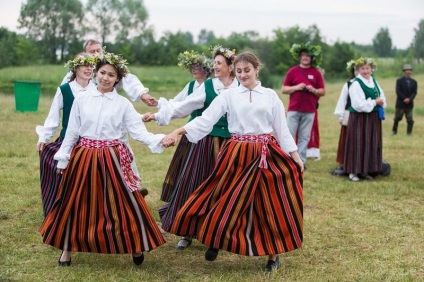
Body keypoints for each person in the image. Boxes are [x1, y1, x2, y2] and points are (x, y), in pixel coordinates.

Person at [162, 51, 304, 272]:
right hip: (237, 152)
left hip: (265, 153)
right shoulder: (229, 95)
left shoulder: (269, 95)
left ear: (257, 69)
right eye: (239, 71)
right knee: (224, 196)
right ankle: (215, 238)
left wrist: (294, 155)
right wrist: (179, 131)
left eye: (247, 70)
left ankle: (273, 255)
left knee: (268, 203)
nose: (243, 74)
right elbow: (205, 120)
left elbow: (281, 129)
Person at [39, 52, 168, 266]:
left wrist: (160, 140)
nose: (105, 78)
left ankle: (134, 244)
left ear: (117, 79)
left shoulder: (123, 104)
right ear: (96, 73)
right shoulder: (82, 99)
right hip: (84, 156)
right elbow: (72, 132)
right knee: (75, 201)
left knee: (123, 201)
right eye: (102, 73)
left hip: (112, 158)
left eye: (111, 74)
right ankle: (67, 250)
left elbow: (138, 132)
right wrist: (64, 158)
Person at [144, 46, 238, 250]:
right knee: (194, 184)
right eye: (214, 63)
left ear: (230, 66)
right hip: (205, 141)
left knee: (226, 188)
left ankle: (218, 232)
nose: (215, 66)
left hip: (232, 144)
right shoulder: (209, 86)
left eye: (219, 63)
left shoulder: (240, 86)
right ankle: (187, 232)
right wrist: (159, 116)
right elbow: (185, 106)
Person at [36, 53, 96, 217]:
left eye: (91, 65)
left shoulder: (98, 89)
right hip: (67, 142)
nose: (89, 68)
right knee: (58, 169)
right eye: (85, 65)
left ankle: (87, 213)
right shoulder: (64, 90)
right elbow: (53, 116)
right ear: (75, 68)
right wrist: (44, 137)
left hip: (91, 144)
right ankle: (61, 212)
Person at [282, 42, 326, 169]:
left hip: (309, 110)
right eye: (303, 55)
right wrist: (296, 87)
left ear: (312, 58)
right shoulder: (293, 71)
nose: (305, 58)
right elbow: (284, 89)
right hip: (294, 109)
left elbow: (322, 91)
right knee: (289, 134)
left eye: (308, 56)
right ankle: (286, 159)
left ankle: (300, 161)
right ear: (300, 57)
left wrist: (314, 90)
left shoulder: (316, 72)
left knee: (304, 137)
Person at [344, 57, 386, 182]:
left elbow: (381, 96)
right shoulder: (356, 83)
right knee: (357, 144)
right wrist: (375, 102)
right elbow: (358, 104)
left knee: (371, 144)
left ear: (371, 70)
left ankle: (366, 170)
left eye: (367, 68)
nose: (365, 71)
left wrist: (380, 102)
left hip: (373, 118)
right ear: (358, 70)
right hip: (359, 118)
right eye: (362, 68)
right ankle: (353, 172)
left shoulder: (374, 81)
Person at [332, 60, 358, 174]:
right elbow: (342, 100)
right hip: (349, 114)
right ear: (354, 71)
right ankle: (345, 162)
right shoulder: (349, 84)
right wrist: (341, 116)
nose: (359, 72)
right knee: (347, 138)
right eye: (357, 69)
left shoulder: (370, 83)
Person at [392, 64, 418, 135]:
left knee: (410, 120)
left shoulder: (414, 82)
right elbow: (398, 91)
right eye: (407, 70)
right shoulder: (399, 81)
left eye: (409, 70)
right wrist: (404, 98)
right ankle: (394, 131)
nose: (408, 71)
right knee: (397, 118)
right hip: (400, 103)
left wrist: (409, 99)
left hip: (409, 104)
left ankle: (409, 133)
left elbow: (414, 92)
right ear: (404, 71)